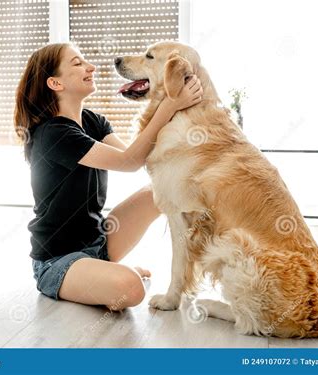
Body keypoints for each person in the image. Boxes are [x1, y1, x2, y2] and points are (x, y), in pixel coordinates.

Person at [14, 42, 203, 311]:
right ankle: (101, 277)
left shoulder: (92, 121)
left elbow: (140, 159)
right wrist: (169, 106)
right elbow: (128, 162)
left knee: (159, 191)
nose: (90, 67)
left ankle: (102, 272)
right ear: (55, 83)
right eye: (78, 63)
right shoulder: (53, 134)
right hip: (57, 261)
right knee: (132, 288)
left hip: (99, 241)